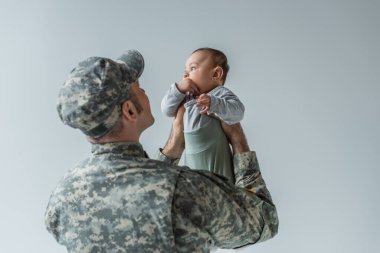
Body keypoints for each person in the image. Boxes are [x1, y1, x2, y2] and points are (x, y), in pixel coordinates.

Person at [44, 49, 278, 253]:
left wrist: (171, 150)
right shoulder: (188, 190)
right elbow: (265, 220)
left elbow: (145, 191)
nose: (145, 91)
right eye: (138, 87)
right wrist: (239, 142)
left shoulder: (62, 198)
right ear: (129, 111)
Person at [161, 48, 244, 183]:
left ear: (216, 74)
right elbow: (166, 110)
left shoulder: (219, 94)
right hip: (192, 164)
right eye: (185, 71)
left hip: (217, 162)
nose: (186, 74)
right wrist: (178, 89)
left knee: (222, 187)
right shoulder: (186, 97)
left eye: (193, 68)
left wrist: (215, 103)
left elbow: (238, 112)